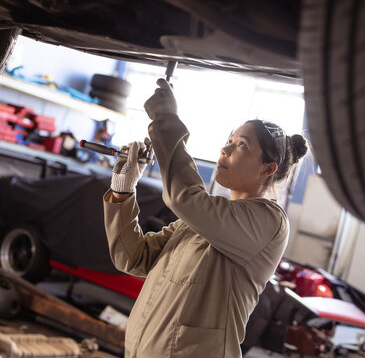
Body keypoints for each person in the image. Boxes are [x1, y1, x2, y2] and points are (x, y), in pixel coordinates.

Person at [103, 78, 308, 357]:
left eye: (242, 146)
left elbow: (185, 197)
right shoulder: (200, 220)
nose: (225, 150)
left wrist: (167, 120)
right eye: (229, 141)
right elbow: (133, 258)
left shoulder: (269, 223)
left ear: (268, 168)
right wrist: (123, 191)